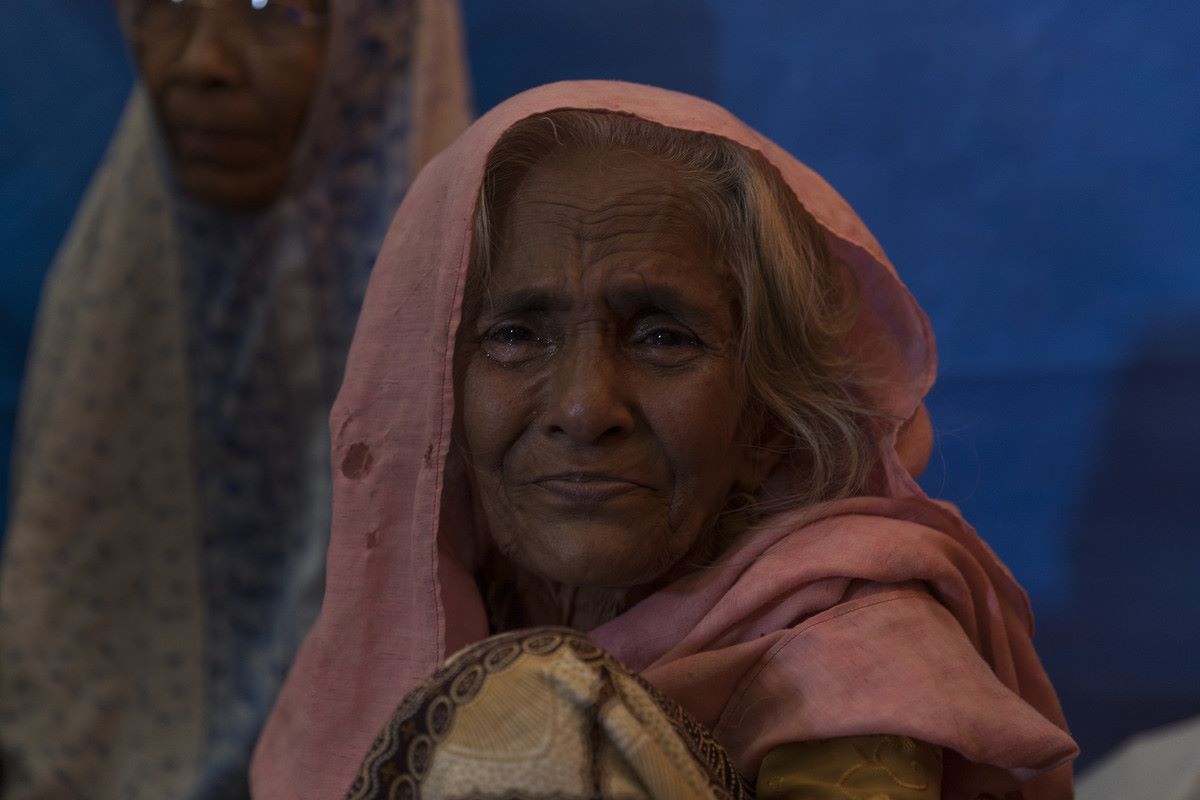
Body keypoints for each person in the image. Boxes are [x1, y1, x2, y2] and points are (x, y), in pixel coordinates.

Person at [252, 81, 1078, 799]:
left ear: (763, 421)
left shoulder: (856, 659)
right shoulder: (420, 621)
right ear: (439, 400)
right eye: (513, 335)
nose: (583, 409)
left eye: (662, 339)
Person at [0, 0, 470, 797]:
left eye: (274, 10)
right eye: (164, 8)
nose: (200, 63)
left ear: (384, 46)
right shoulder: (109, 305)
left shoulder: (501, 335)